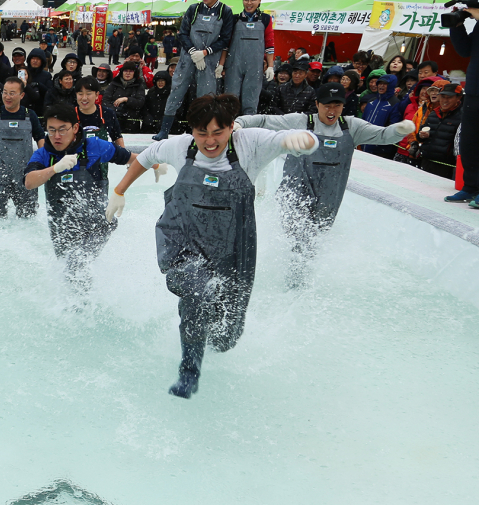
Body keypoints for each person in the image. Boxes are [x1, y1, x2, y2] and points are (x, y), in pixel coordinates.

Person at [111, 93, 320, 398]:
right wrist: (119, 190)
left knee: (226, 337)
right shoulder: (181, 146)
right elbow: (147, 156)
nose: (209, 141)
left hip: (234, 251)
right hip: (183, 244)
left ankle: (205, 342)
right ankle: (189, 369)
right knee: (197, 293)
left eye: (217, 133)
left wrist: (304, 140)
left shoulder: (250, 144)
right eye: (201, 133)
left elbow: (287, 138)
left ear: (232, 128)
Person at [236, 82, 416, 286]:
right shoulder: (301, 121)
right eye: (327, 105)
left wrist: (399, 130)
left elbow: (382, 135)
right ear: (317, 104)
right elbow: (264, 121)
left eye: (337, 105)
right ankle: (289, 283)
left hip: (329, 199)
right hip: (296, 192)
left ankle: (301, 284)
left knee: (313, 243)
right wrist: (241, 122)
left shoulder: (352, 126)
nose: (332, 111)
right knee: (296, 240)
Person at [22, 102, 132, 292]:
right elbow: (29, 182)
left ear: (75, 128)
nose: (57, 136)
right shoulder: (43, 154)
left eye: (62, 130)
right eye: (51, 130)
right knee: (69, 270)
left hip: (97, 223)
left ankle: (83, 308)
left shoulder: (94, 146)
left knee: (77, 265)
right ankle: (79, 306)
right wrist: (55, 168)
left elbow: (131, 158)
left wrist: (156, 164)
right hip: (62, 228)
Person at [153, 0, 235, 140]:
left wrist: (205, 53)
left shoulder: (225, 11)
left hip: (209, 60)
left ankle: (201, 130)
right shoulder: (193, 9)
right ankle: (164, 130)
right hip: (187, 58)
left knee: (206, 96)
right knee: (176, 90)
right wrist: (193, 52)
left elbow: (225, 39)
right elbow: (183, 33)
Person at [0, 77, 45, 218]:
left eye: (12, 93)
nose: (7, 97)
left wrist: (41, 161)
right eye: (5, 92)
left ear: (21, 95)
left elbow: (40, 138)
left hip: (24, 175)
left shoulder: (30, 115)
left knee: (28, 217)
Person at [444, 0, 479, 203]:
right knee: (469, 142)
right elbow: (465, 51)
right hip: (474, 89)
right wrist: (457, 27)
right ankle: (471, 186)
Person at [416, 82, 464, 181]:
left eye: (449, 97)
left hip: (446, 165)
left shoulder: (463, 117)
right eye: (442, 97)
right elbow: (419, 135)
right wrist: (421, 135)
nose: (444, 100)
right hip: (426, 161)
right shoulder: (434, 113)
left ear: (458, 98)